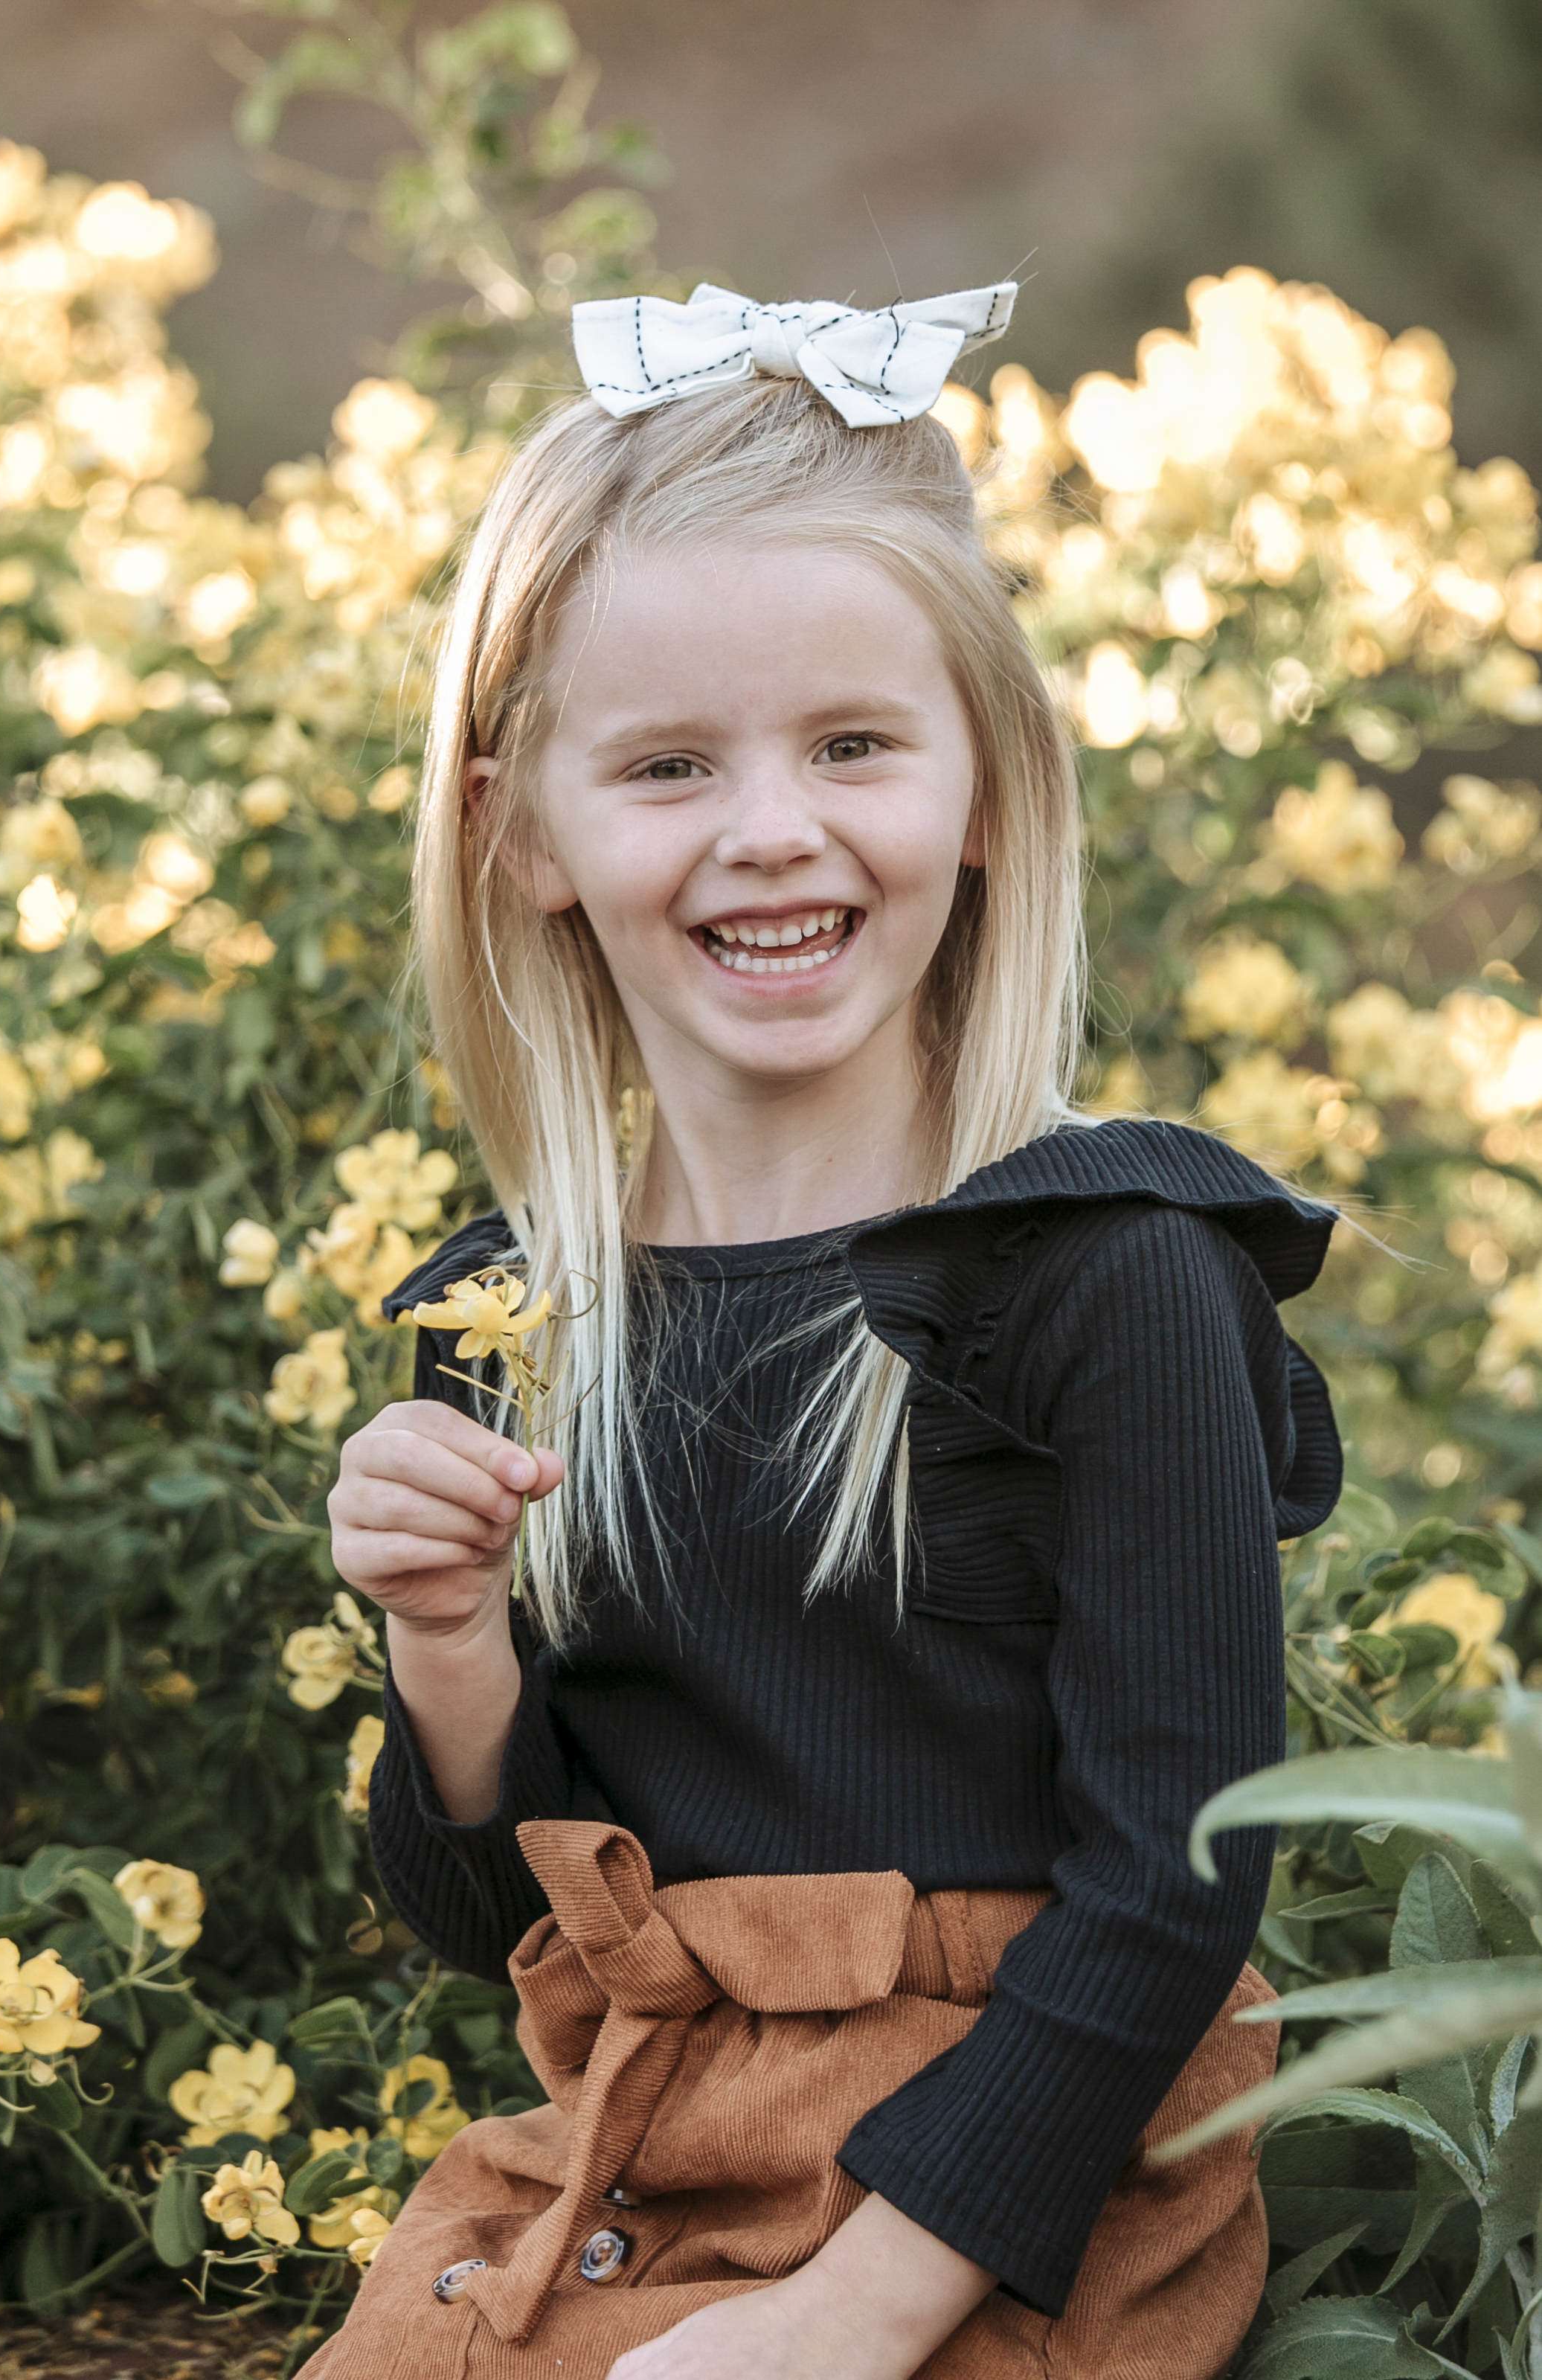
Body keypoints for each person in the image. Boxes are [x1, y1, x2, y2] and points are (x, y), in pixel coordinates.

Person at [309, 282, 1342, 2380]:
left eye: (852, 746)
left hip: (1016, 2190)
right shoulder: (513, 1314)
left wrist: (847, 2321)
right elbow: (499, 1929)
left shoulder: (1104, 1270)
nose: (770, 827)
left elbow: (1174, 1889)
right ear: (522, 835)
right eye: (669, 765)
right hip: (649, 2144)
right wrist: (447, 1641)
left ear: (988, 788)